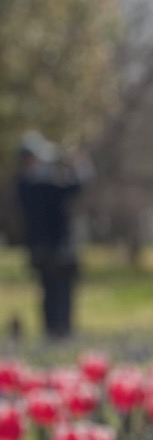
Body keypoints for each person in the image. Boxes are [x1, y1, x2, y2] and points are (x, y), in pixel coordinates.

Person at [16, 133, 91, 340]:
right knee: (54, 295)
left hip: (56, 250)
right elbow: (75, 185)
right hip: (52, 250)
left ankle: (59, 332)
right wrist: (75, 164)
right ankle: (56, 333)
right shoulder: (35, 185)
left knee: (60, 294)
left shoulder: (33, 183)